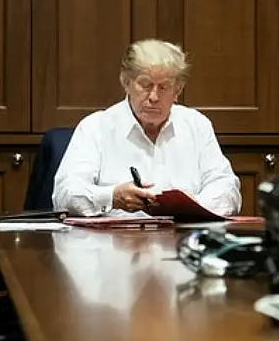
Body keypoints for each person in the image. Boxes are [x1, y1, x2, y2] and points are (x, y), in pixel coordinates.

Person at [52, 38, 242, 217]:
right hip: (114, 246)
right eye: (145, 85)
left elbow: (228, 188)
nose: (153, 97)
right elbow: (64, 195)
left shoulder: (196, 125)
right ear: (126, 83)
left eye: (164, 87)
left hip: (180, 242)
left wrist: (194, 204)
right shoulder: (96, 128)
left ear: (178, 90)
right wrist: (112, 197)